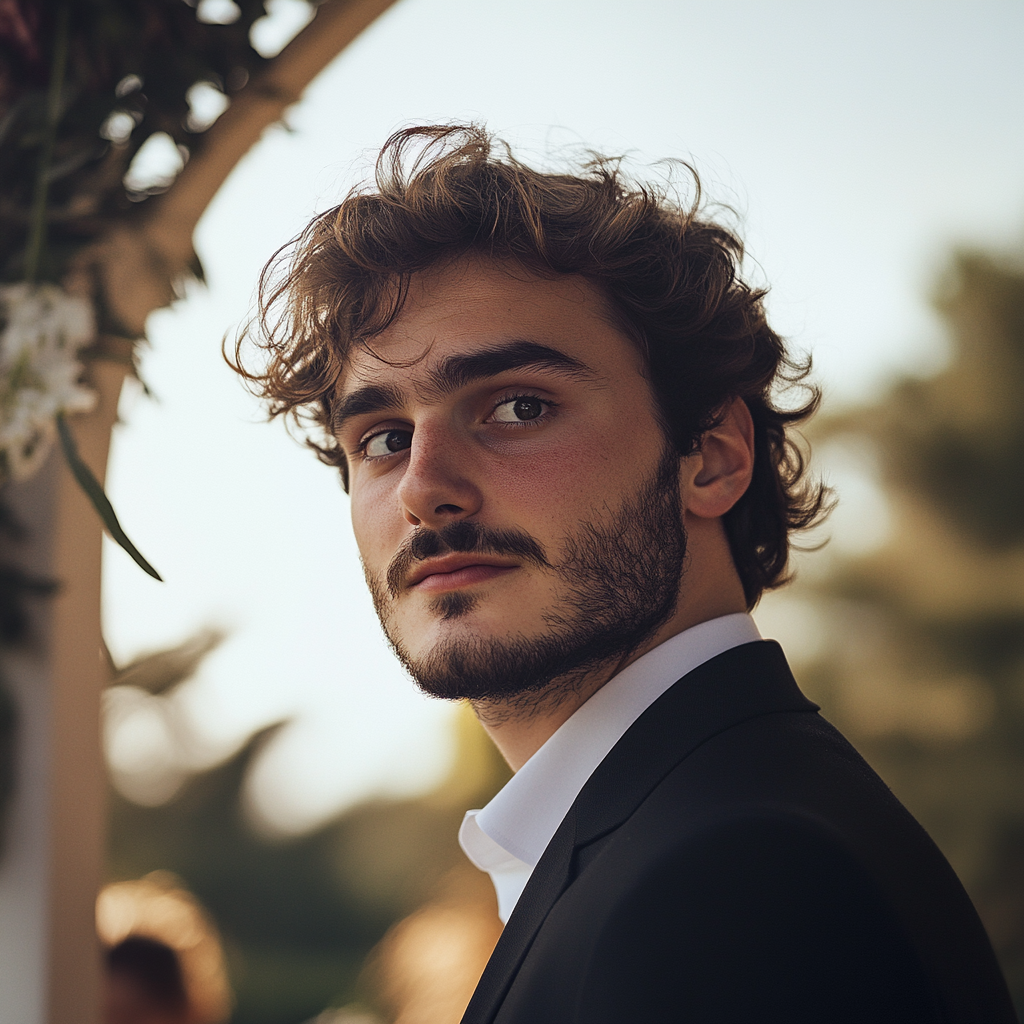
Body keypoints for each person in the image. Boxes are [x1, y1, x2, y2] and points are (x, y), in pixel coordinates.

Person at [235, 125, 1016, 1023]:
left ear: (713, 458)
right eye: (382, 438)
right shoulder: (684, 827)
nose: (424, 489)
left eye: (518, 407)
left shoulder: (740, 877)